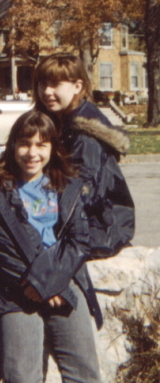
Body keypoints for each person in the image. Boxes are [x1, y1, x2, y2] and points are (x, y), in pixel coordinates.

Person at [0, 110, 110, 383]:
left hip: (66, 289)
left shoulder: (68, 183)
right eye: (24, 143)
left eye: (41, 144)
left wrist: (50, 281)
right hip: (16, 292)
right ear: (12, 145)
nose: (32, 152)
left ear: (52, 148)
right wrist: (37, 283)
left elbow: (79, 240)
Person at [33, 52, 135, 259]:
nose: (47, 92)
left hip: (99, 228)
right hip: (75, 221)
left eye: (55, 85)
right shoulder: (58, 122)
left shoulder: (86, 138)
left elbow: (80, 195)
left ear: (77, 87)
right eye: (42, 84)